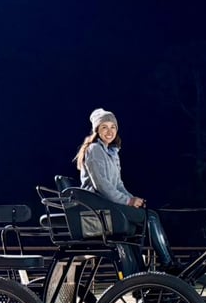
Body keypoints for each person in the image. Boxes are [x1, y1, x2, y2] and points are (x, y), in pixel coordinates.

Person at [74, 108, 181, 273]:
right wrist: (127, 201)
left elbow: (118, 184)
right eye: (104, 127)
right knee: (150, 217)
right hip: (98, 209)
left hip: (109, 206)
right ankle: (168, 263)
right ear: (97, 130)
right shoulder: (94, 150)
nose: (109, 131)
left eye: (113, 127)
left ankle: (139, 274)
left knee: (141, 219)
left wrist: (133, 200)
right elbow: (102, 186)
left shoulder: (112, 152)